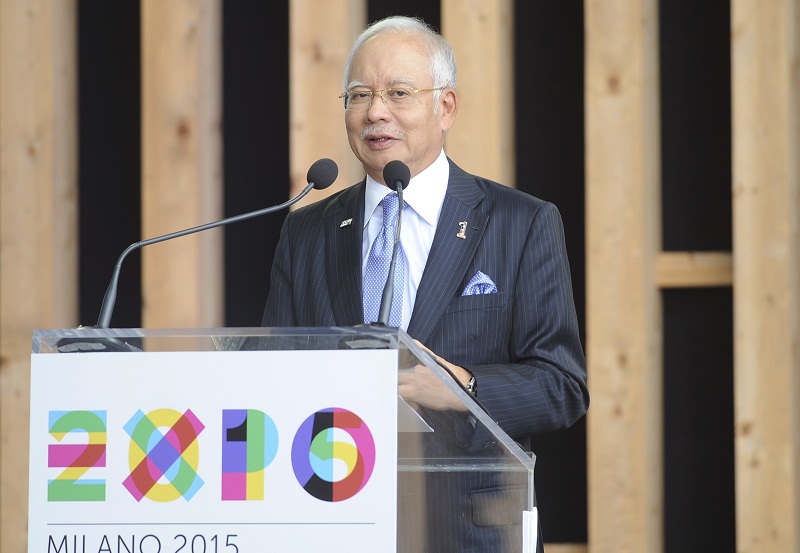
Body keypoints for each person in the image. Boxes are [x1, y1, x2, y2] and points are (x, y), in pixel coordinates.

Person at [262, 15, 589, 552]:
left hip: (468, 528)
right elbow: (271, 374)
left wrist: (467, 390)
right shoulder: (307, 231)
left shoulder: (520, 223)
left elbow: (562, 387)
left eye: (398, 93)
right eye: (359, 94)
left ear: (446, 107)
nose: (375, 112)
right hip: (332, 521)